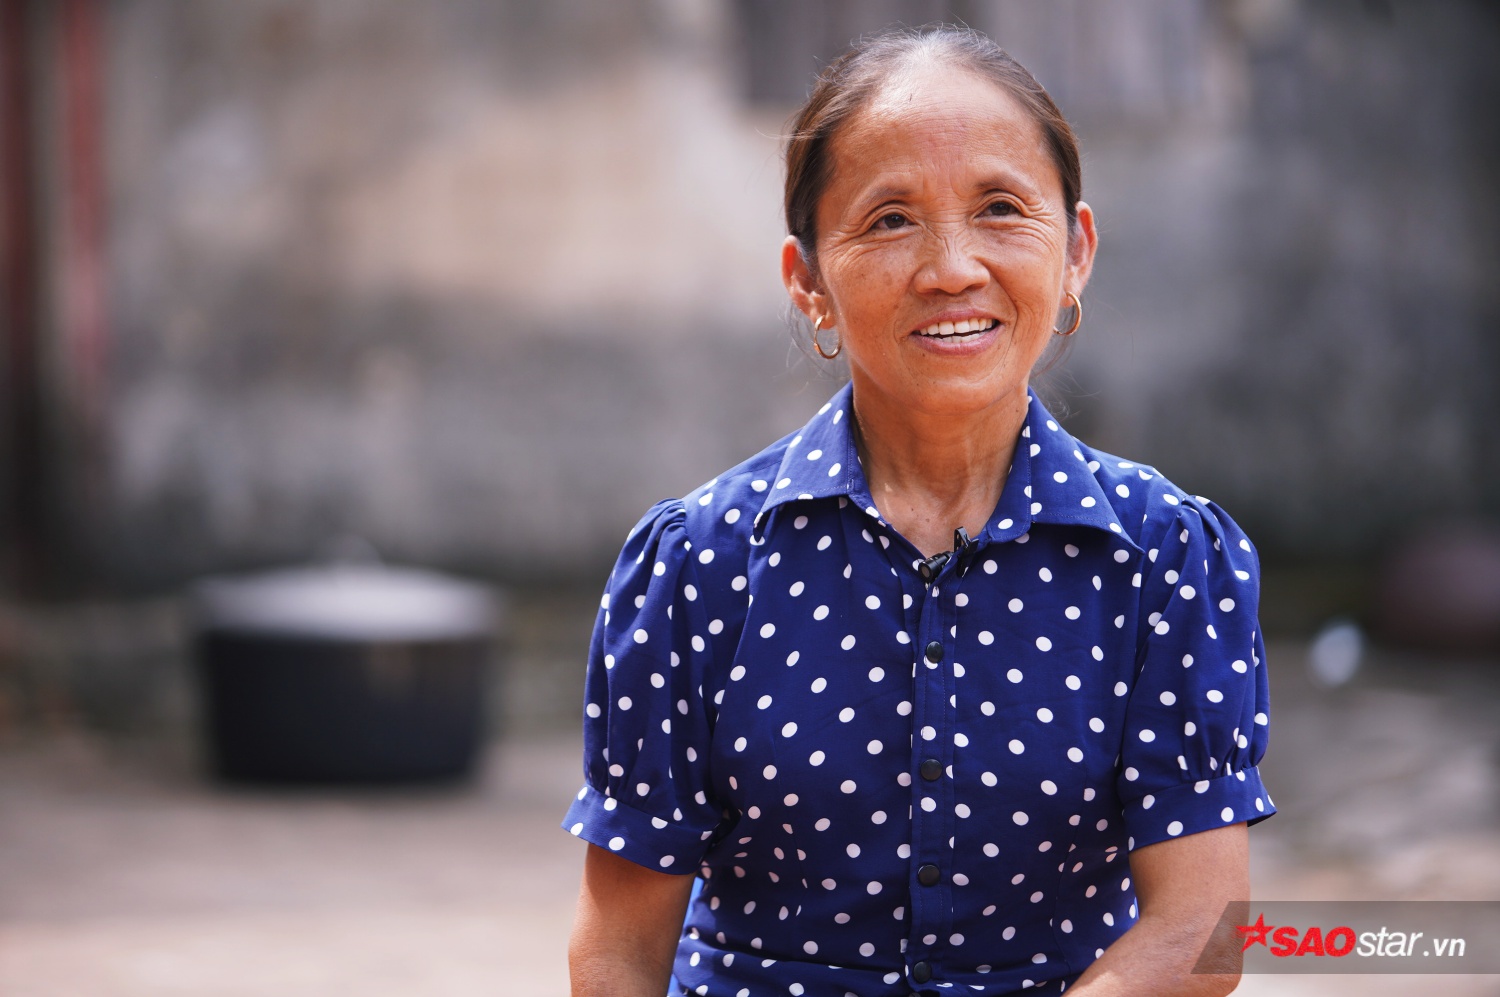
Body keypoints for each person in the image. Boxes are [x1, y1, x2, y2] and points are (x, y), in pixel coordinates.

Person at [565, 24, 1273, 997]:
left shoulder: (1161, 556)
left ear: (1076, 251)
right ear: (809, 281)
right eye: (891, 219)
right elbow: (619, 949)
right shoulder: (701, 563)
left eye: (1000, 209)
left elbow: (1200, 929)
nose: (951, 268)